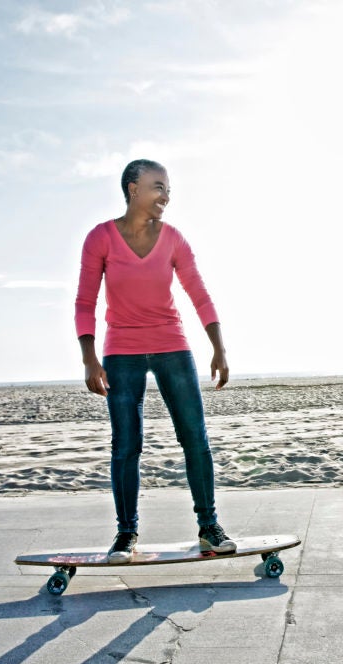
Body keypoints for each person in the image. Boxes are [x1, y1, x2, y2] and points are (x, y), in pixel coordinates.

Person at [74, 158, 237, 563]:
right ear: (133, 188)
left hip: (172, 345)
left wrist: (218, 347)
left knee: (194, 439)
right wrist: (90, 359)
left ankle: (209, 527)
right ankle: (126, 534)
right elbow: (84, 301)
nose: (166, 195)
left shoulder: (174, 239)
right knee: (126, 445)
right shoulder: (100, 238)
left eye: (168, 189)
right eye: (158, 187)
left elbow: (199, 293)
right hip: (121, 351)